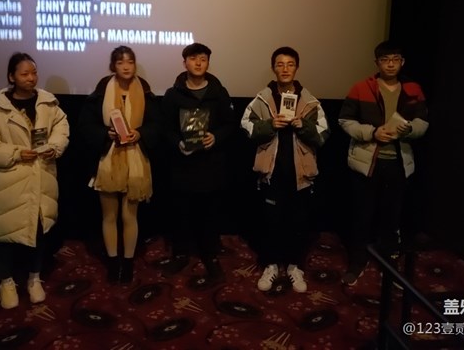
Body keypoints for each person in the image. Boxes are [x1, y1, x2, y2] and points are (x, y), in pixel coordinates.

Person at [0, 52, 70, 309]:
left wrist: (54, 147)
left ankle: (34, 278)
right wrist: (15, 153)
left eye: (34, 73)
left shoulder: (47, 104)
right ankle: (6, 282)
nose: (31, 78)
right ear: (11, 77)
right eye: (24, 73)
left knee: (39, 230)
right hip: (9, 182)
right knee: (5, 233)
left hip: (41, 178)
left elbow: (61, 128)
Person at [338, 40, 428, 285]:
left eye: (395, 59)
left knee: (392, 216)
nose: (390, 64)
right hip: (367, 162)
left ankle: (389, 263)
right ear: (376, 63)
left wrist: (409, 130)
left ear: (402, 62)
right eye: (385, 60)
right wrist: (372, 133)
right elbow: (345, 120)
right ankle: (357, 261)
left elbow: (423, 122)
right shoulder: (361, 88)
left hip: (399, 163)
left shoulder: (413, 89)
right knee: (362, 216)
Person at [241, 47, 330, 293]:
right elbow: (246, 126)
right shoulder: (262, 99)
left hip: (301, 175)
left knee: (298, 222)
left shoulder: (310, 101)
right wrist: (270, 125)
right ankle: (270, 265)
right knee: (271, 222)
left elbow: (324, 134)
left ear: (296, 68)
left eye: (290, 64)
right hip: (271, 174)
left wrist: (304, 126)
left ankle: (294, 266)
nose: (285, 69)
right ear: (274, 68)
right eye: (280, 64)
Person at [78, 46, 159, 284]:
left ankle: (128, 261)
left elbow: (157, 124)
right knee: (109, 215)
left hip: (136, 159)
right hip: (108, 160)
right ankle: (113, 262)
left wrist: (140, 134)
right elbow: (86, 125)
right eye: (121, 62)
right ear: (113, 66)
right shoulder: (103, 90)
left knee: (129, 215)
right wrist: (106, 134)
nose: (126, 67)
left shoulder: (145, 90)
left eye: (130, 62)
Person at [160, 42, 236, 283]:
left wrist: (217, 137)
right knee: (181, 212)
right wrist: (177, 143)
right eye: (193, 59)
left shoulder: (219, 92)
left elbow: (230, 124)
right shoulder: (173, 94)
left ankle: (210, 255)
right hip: (183, 164)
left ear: (208, 63)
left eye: (203, 59)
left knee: (210, 213)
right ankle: (180, 254)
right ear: (185, 63)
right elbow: (165, 128)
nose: (198, 63)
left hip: (211, 164)